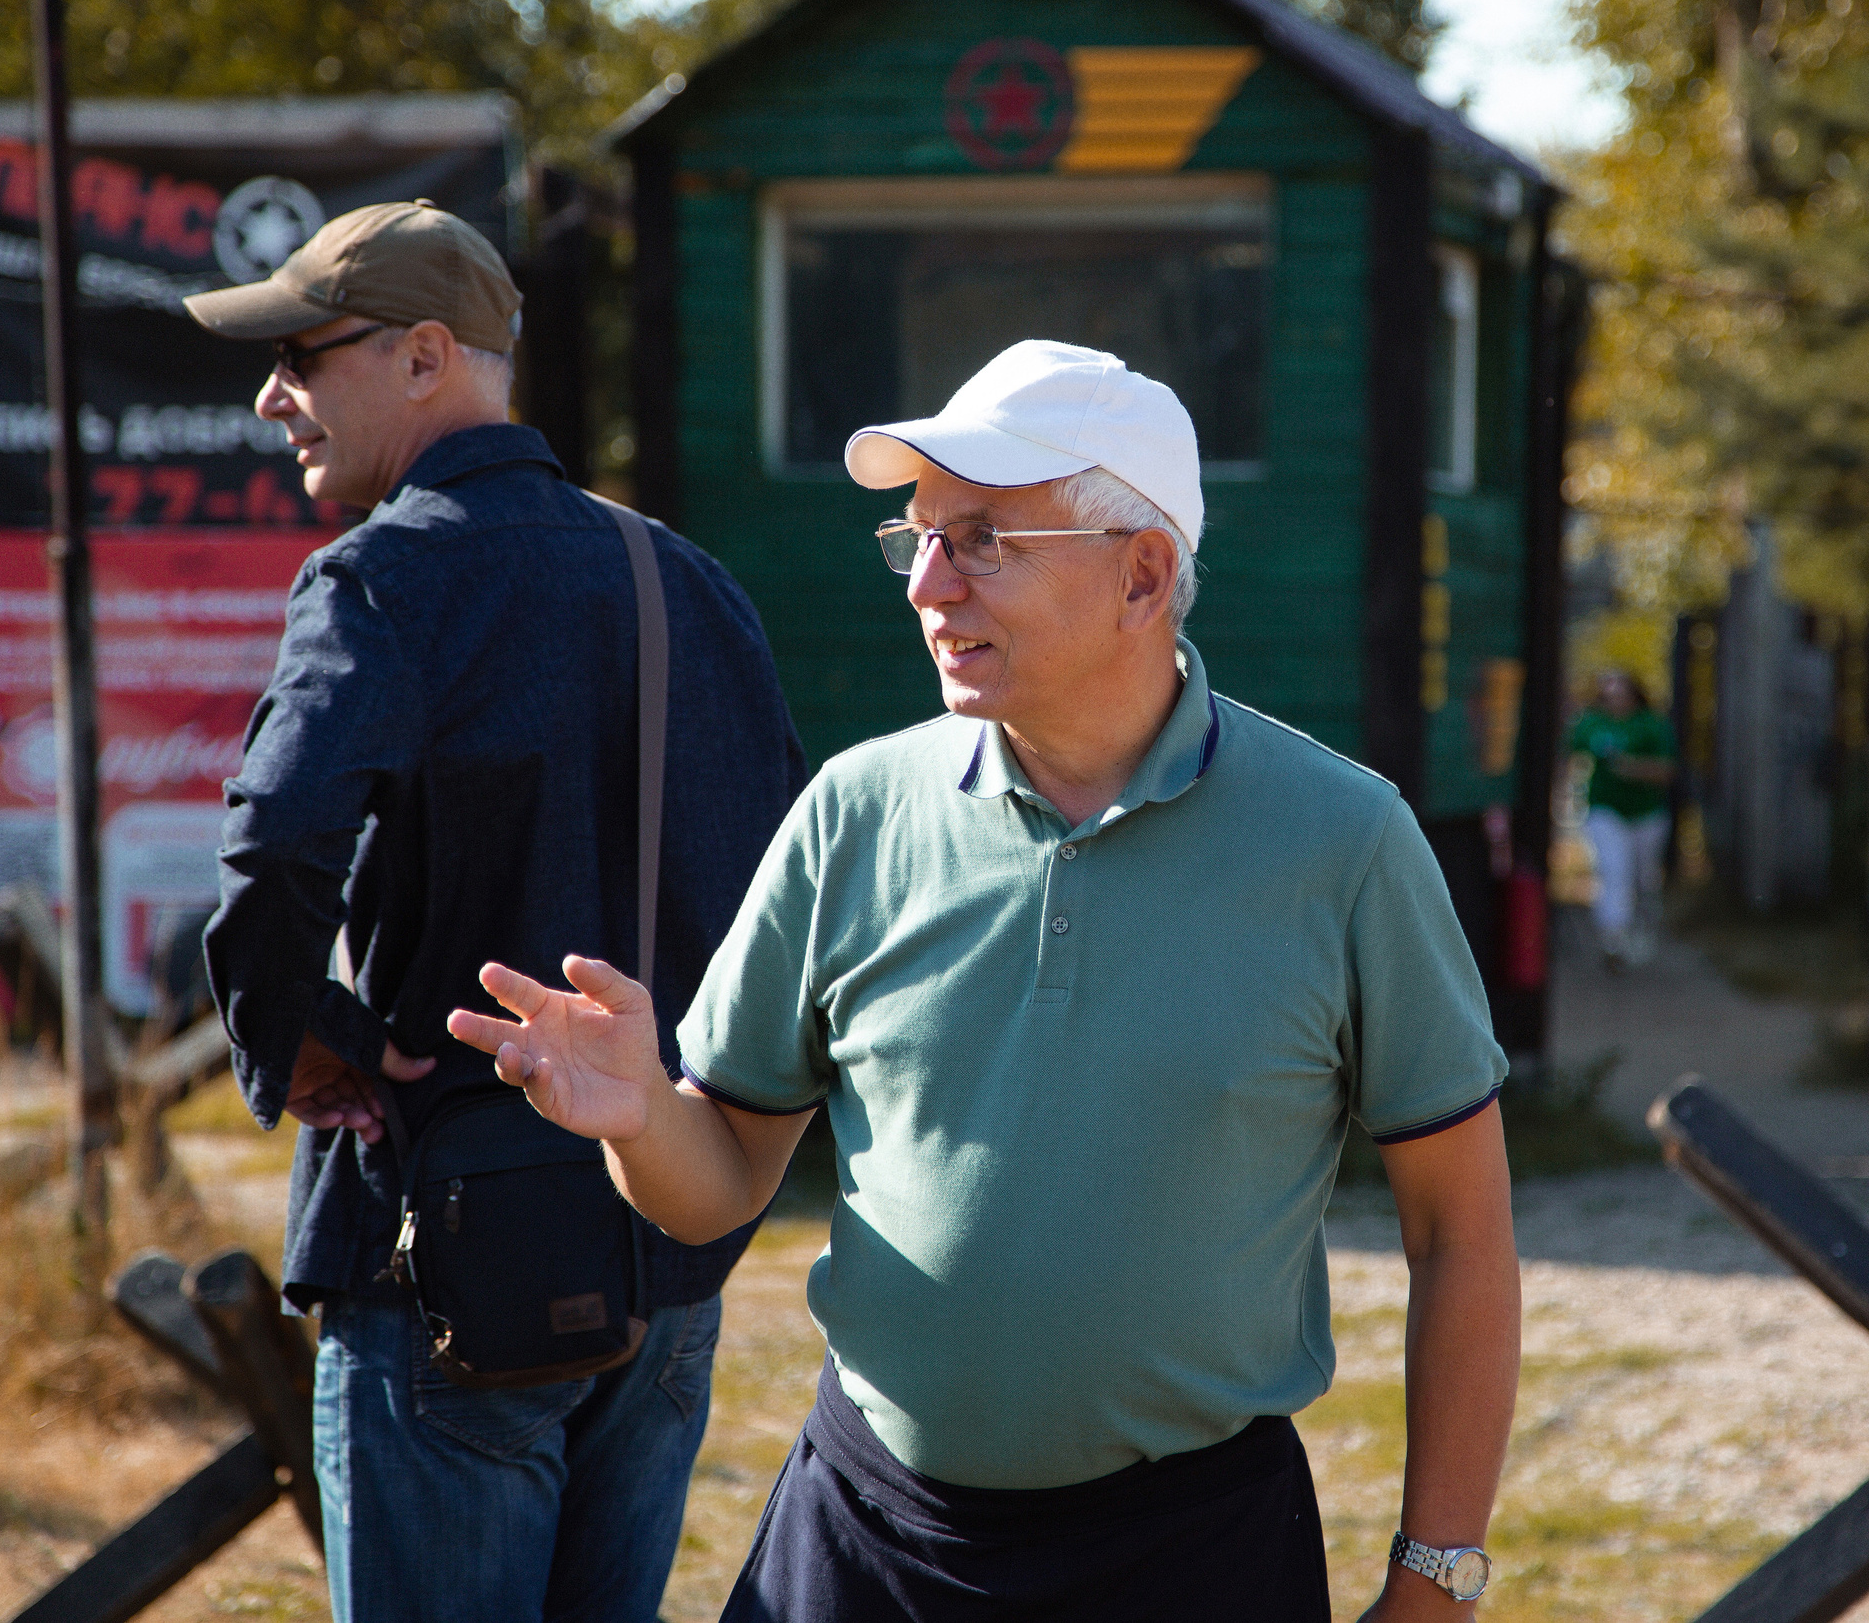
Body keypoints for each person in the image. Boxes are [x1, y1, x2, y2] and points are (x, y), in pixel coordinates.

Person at [447, 341, 1523, 1622]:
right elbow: (713, 1183)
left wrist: (1437, 1577)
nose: (932, 586)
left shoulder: (1344, 841)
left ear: (1144, 573)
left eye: (985, 540)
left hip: (1192, 1555)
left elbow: (1462, 1233)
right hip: (867, 1536)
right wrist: (637, 1118)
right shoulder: (855, 808)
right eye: (919, 541)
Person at [185, 201, 804, 1623]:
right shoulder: (692, 581)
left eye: (299, 351)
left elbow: (274, 848)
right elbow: (789, 898)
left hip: (445, 1259)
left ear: (421, 357)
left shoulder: (387, 574)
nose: (270, 395)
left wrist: (306, 1042)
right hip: (664, 1268)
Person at [1568, 669, 1674, 971]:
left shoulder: (1651, 725)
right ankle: (1613, 937)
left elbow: (1667, 771)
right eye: (1608, 693)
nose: (1614, 699)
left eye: (1620, 692)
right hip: (1605, 809)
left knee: (1643, 876)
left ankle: (1643, 929)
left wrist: (1632, 769)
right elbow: (1570, 755)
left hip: (1645, 813)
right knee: (1613, 868)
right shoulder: (1591, 723)